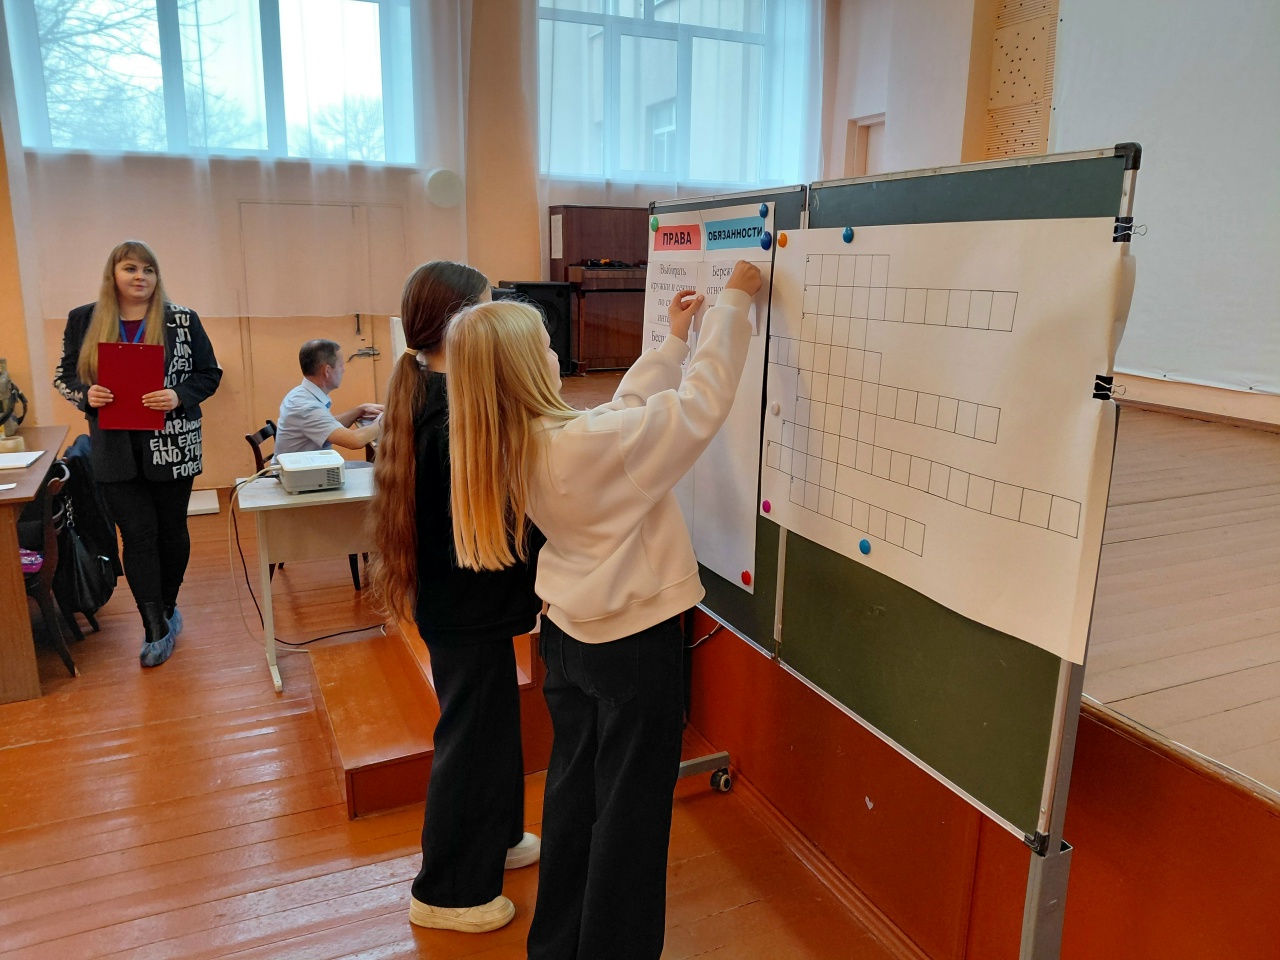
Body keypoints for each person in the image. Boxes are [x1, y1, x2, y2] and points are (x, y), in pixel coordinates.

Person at [445, 260, 762, 959]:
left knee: (575, 804)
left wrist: (671, 344)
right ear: (527, 369)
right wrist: (733, 306)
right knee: (630, 822)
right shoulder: (580, 446)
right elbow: (697, 409)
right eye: (546, 347)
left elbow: (623, 417)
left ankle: (558, 946)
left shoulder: (517, 437)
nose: (557, 354)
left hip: (569, 640)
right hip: (633, 650)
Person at [368, 261, 543, 934]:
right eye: (488, 309)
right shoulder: (450, 414)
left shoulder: (428, 391)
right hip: (466, 606)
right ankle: (447, 891)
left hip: (463, 605)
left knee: (491, 725)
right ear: (463, 325)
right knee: (471, 739)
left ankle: (499, 836)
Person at [53, 240, 222, 667]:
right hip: (114, 450)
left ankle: (168, 605)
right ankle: (153, 627)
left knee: (171, 531)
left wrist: (178, 395)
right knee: (137, 535)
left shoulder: (182, 319)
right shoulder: (83, 319)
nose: (140, 277)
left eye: (148, 269)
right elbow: (65, 375)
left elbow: (209, 374)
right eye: (130, 268)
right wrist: (85, 394)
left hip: (173, 445)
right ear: (113, 274)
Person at [274, 339, 384, 458]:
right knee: (375, 467)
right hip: (301, 470)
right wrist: (385, 420)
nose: (343, 370)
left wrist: (359, 410)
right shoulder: (306, 408)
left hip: (306, 466)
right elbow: (355, 440)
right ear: (327, 371)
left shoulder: (302, 394)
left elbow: (327, 424)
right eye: (341, 365)